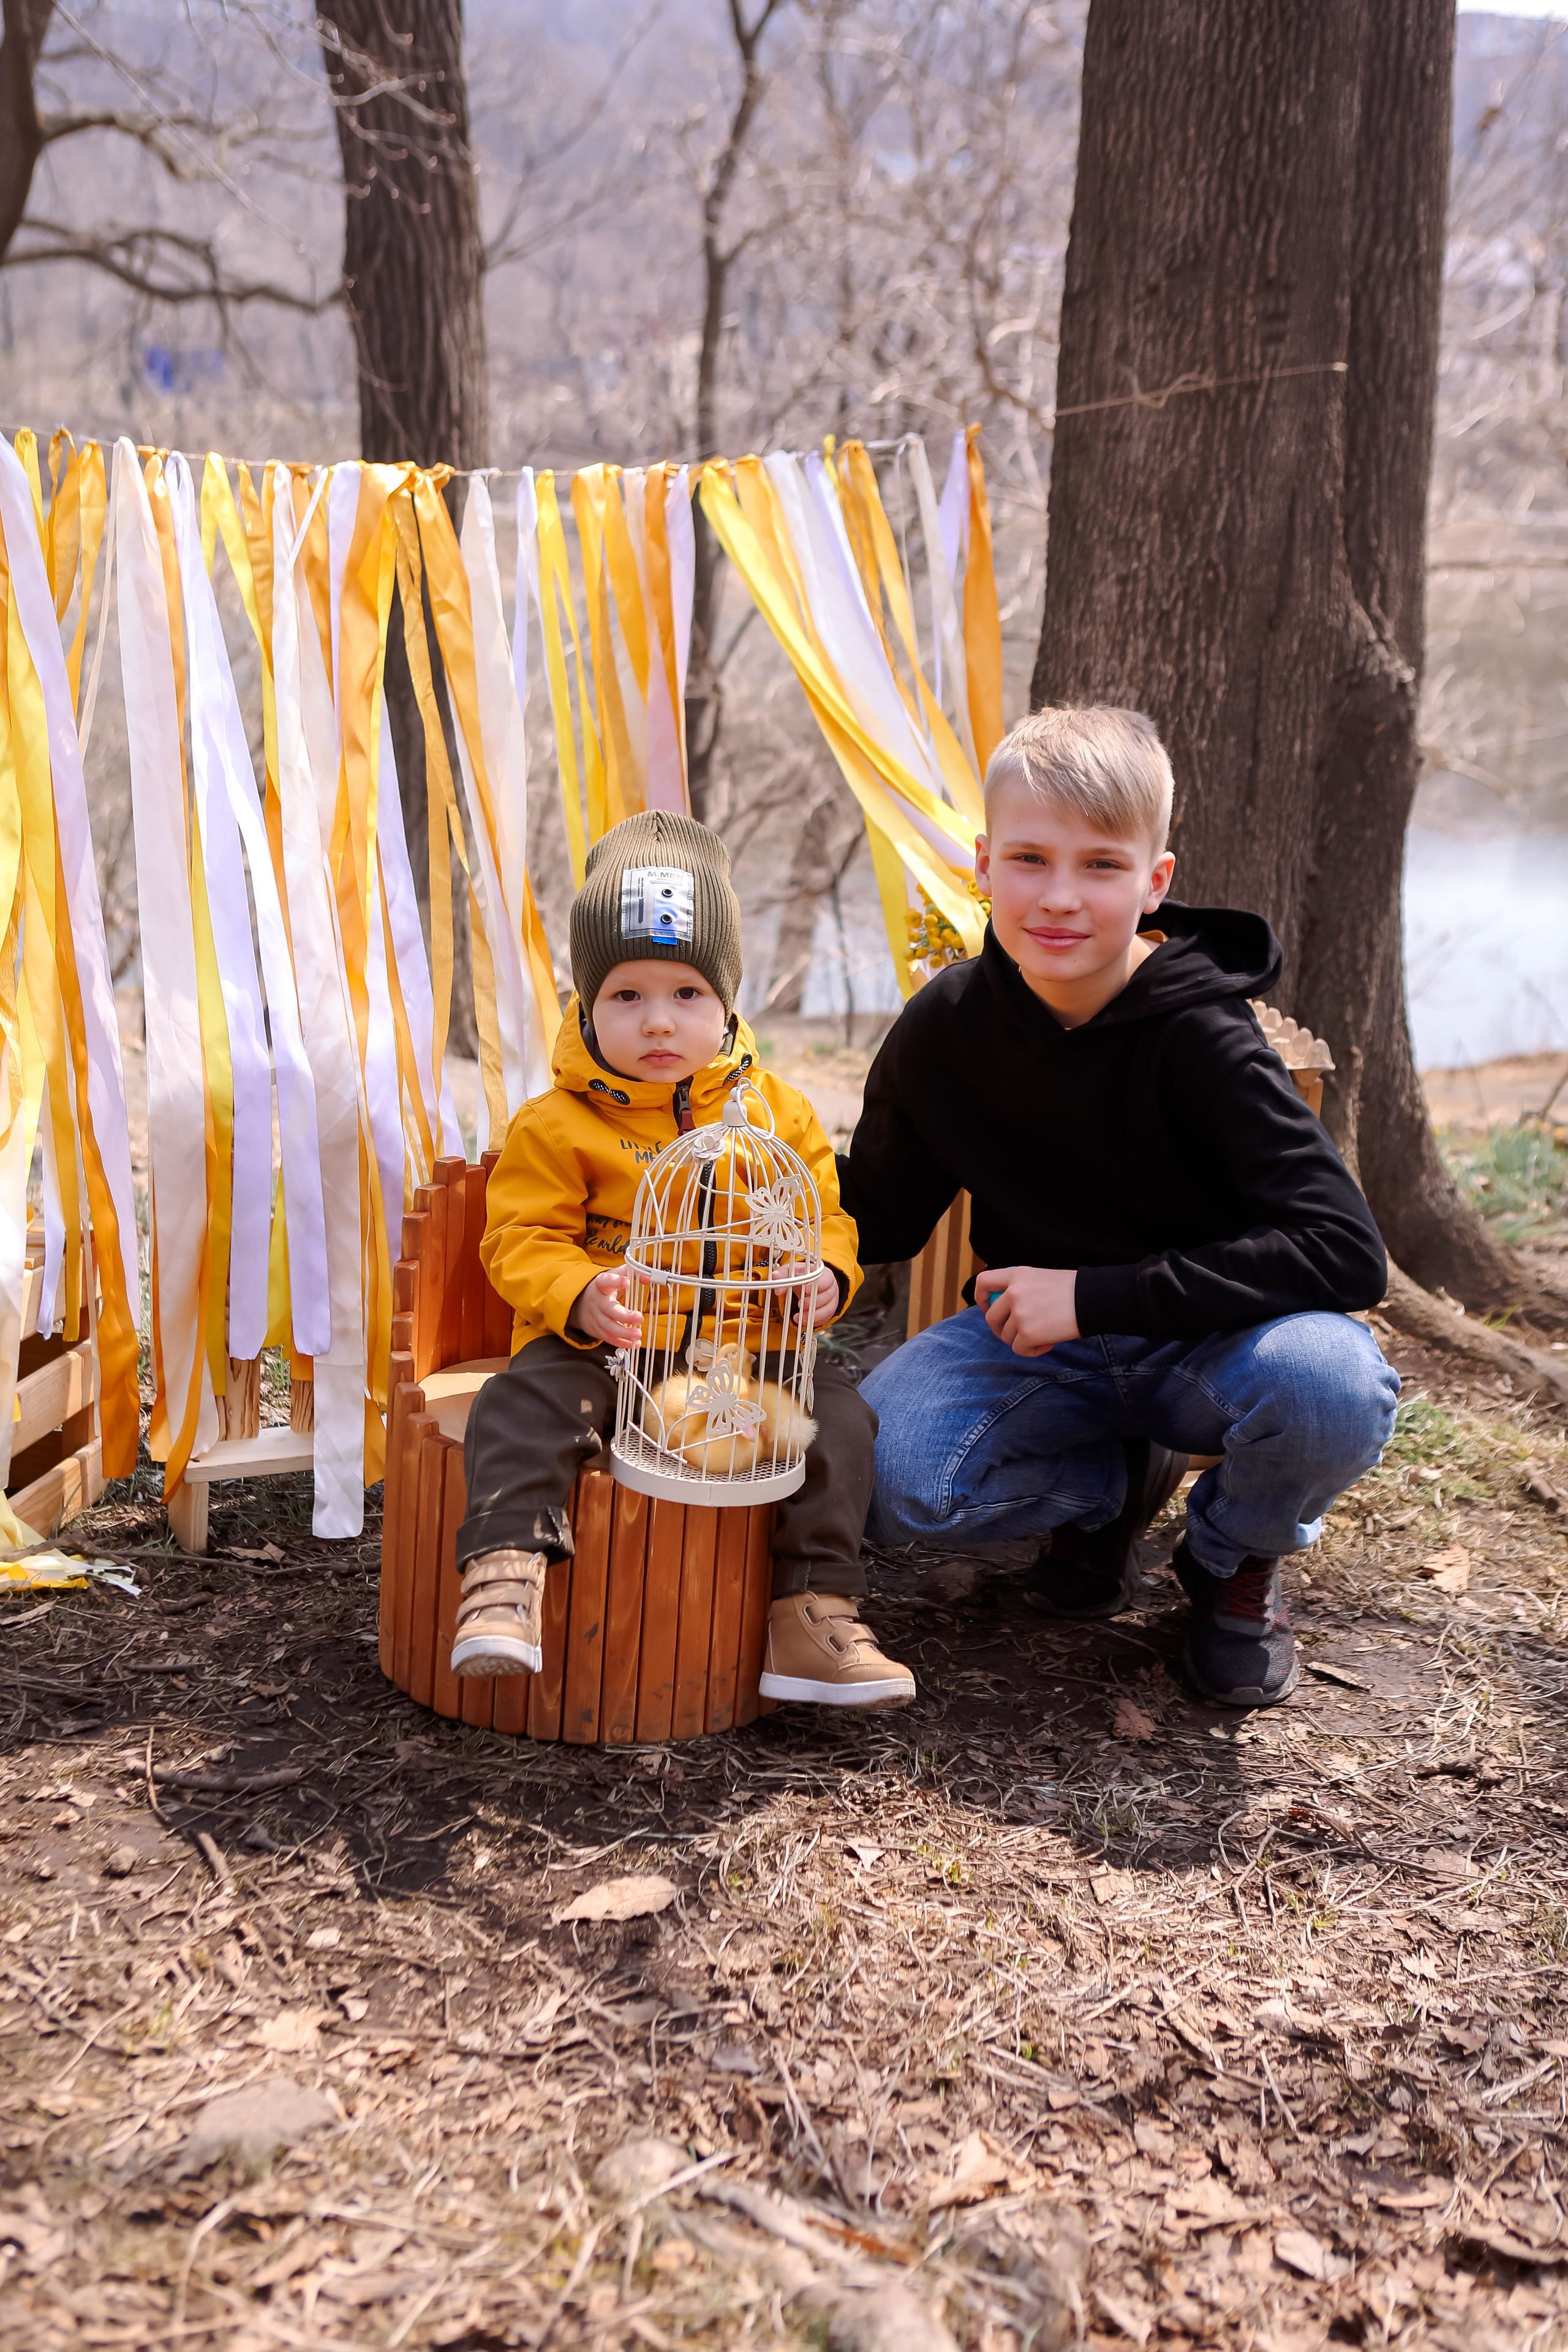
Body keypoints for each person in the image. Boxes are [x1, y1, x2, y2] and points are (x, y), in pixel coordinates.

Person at [844, 706, 1399, 1708]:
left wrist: (1094, 1296)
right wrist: (769, 1233)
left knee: (1333, 1387)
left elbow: (1346, 1253)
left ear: (1155, 882)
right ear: (981, 863)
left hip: (1211, 1349)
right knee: (887, 1480)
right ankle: (1109, 1492)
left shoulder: (1202, 1036)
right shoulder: (947, 1028)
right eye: (1029, 858)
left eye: (1101, 866)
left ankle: (1232, 1561)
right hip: (1035, 1352)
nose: (1060, 898)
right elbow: (877, 1217)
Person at [451, 809, 913, 1711]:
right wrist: (581, 1295)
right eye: (626, 996)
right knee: (524, 1401)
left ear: (728, 1000)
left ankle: (811, 1614)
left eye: (688, 995)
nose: (659, 1021)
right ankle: (505, 1573)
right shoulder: (558, 1124)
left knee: (842, 1421)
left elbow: (824, 1215)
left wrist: (826, 1274)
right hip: (607, 1349)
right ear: (587, 1003)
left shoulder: (778, 1115)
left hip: (743, 1355)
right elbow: (519, 1240)